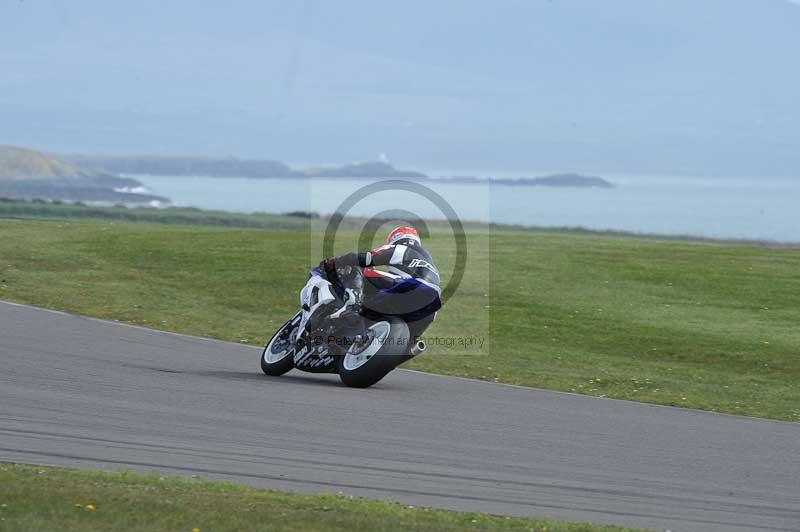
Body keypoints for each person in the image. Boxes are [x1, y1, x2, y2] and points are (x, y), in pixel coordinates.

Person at [307, 225, 442, 342]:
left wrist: (337, 261)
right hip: (430, 309)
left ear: (395, 239)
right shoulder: (431, 265)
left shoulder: (402, 248)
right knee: (405, 342)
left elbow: (366, 258)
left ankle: (352, 307)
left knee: (357, 268)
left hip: (410, 286)